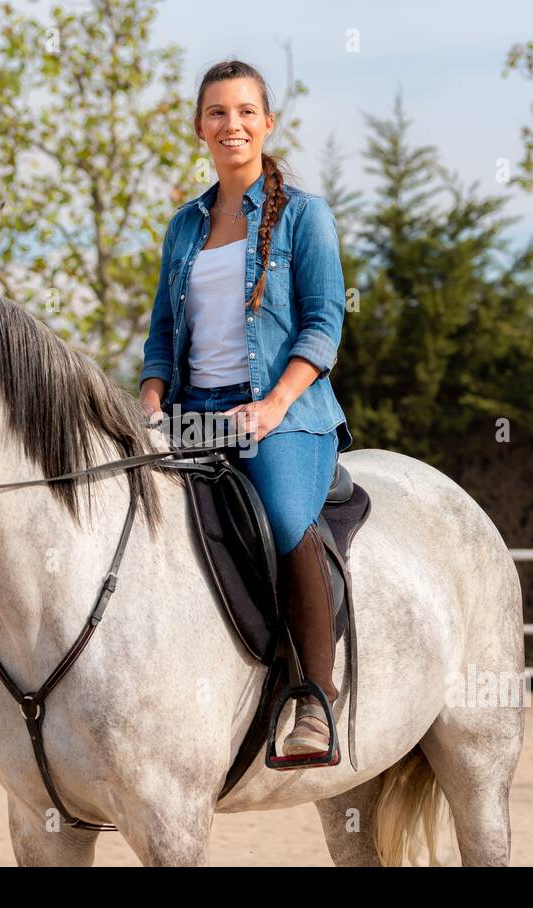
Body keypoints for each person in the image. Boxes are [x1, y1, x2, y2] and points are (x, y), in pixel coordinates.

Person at [138, 58, 353, 760]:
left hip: (286, 416)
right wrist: (149, 404)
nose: (231, 124)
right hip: (193, 414)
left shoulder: (305, 217)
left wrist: (273, 404)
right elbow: (162, 339)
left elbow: (323, 326)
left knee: (287, 519)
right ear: (199, 127)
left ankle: (314, 697)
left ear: (267, 123)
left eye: (244, 112)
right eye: (216, 113)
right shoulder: (184, 226)